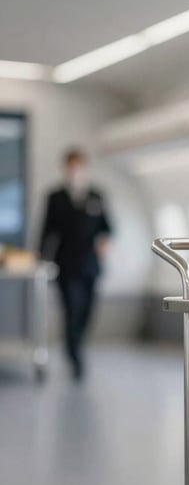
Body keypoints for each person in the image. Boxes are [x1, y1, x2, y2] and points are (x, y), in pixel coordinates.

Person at [39, 148, 112, 379]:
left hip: (90, 265)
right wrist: (41, 260)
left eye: (79, 166)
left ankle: (76, 345)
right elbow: (46, 231)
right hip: (66, 264)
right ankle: (75, 356)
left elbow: (108, 227)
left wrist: (105, 242)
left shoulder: (96, 196)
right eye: (71, 167)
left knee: (87, 312)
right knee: (71, 310)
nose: (75, 171)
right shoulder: (55, 197)